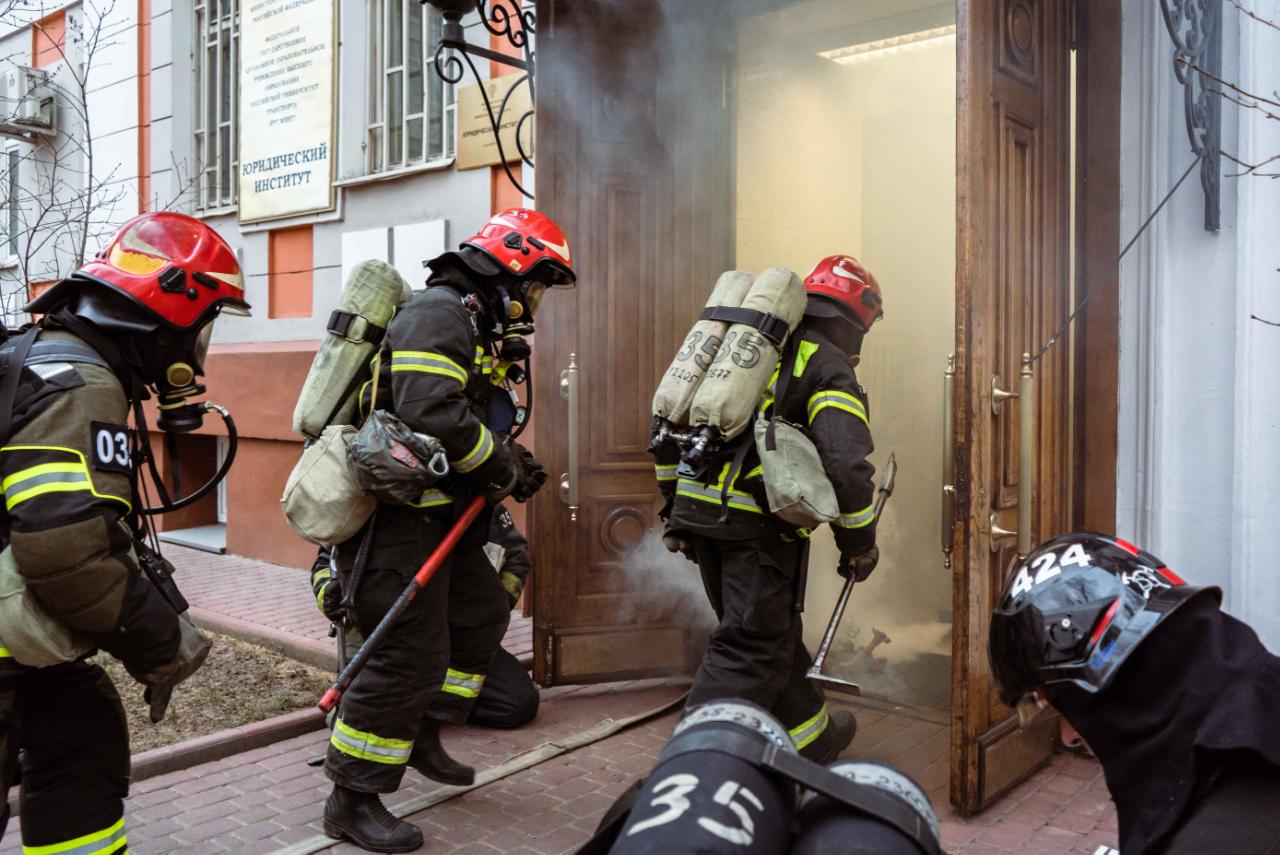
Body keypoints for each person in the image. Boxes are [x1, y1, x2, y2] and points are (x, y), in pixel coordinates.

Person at [320, 208, 574, 853]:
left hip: (440, 514)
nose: (535, 303)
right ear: (511, 268)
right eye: (537, 286)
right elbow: (431, 411)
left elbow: (468, 415)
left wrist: (510, 459)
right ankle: (351, 799)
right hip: (397, 521)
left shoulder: (470, 319)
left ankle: (425, 731)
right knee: (405, 654)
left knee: (480, 610)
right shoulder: (439, 313)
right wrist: (501, 465)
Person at [0, 212, 250, 852]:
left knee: (77, 728)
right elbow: (68, 551)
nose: (198, 347)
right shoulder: (80, 381)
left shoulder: (39, 355)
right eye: (204, 325)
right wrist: (161, 644)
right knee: (79, 740)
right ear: (173, 312)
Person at [657, 254, 884, 764]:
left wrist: (674, 507)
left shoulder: (748, 349)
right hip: (755, 528)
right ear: (854, 321)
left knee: (770, 633)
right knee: (750, 646)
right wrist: (859, 543)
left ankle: (810, 737)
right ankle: (686, 773)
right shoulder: (826, 364)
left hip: (700, 514)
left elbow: (668, 427)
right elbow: (846, 464)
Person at [988, 532, 1280, 855]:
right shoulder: (1260, 700)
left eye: (1061, 707)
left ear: (1116, 685)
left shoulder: (1214, 838)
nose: (1068, 736)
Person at [310, 501, 539, 733]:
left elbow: (515, 558)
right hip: (390, 642)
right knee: (357, 720)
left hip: (460, 641)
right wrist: (328, 595)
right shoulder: (364, 504)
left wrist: (485, 615)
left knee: (516, 703)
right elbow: (325, 564)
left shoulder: (476, 502)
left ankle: (425, 705)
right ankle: (412, 704)